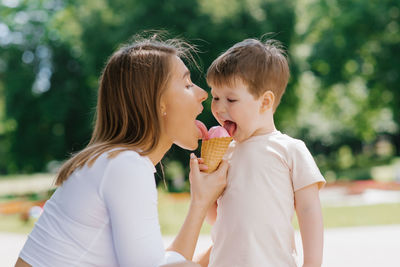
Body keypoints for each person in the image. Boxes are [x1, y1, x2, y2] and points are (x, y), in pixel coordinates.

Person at [15, 35, 228, 267]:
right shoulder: (126, 166)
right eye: (187, 84)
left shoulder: (115, 160)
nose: (203, 94)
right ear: (159, 103)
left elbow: (158, 262)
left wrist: (203, 204)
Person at [197, 38, 326, 267]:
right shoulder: (224, 154)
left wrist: (312, 264)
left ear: (265, 102)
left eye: (231, 99)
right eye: (215, 97)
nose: (218, 107)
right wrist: (203, 187)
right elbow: (217, 220)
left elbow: (309, 209)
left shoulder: (290, 150)